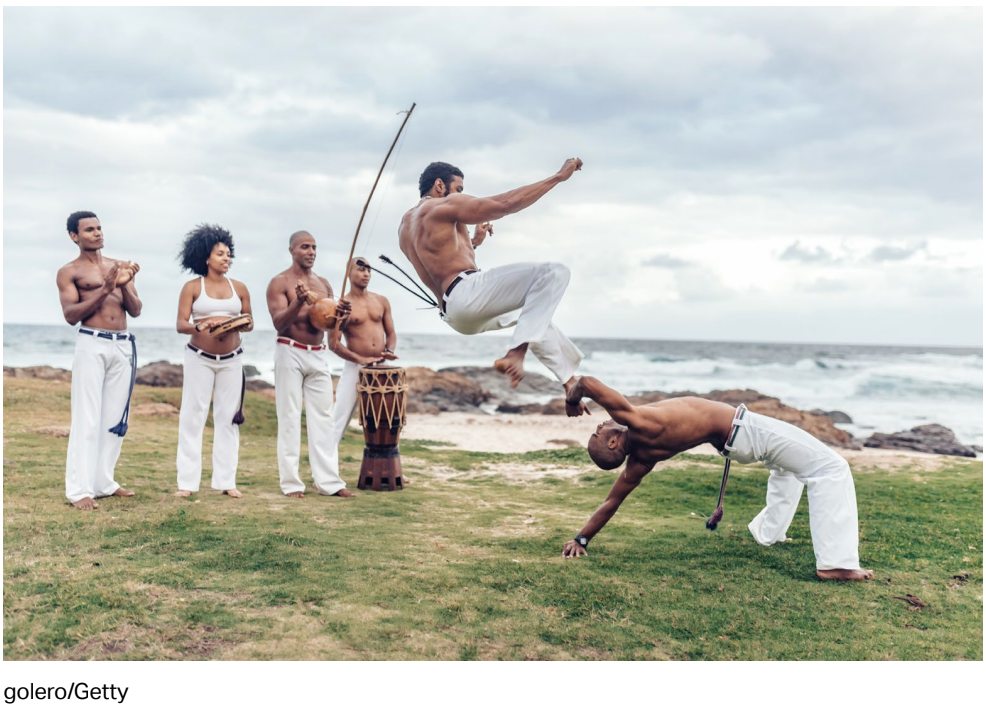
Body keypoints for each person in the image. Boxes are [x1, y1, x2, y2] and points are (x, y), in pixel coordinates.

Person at [561, 376, 873, 581]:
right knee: (832, 468)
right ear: (613, 444)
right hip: (744, 430)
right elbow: (586, 382)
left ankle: (767, 533)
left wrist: (581, 538)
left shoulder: (641, 460)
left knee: (788, 468)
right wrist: (573, 400)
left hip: (735, 443)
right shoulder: (637, 422)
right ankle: (836, 564)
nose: (599, 427)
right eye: (597, 434)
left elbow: (611, 501)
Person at [398, 159, 586, 409]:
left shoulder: (405, 227)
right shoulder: (442, 205)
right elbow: (504, 205)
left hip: (455, 314)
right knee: (553, 273)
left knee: (532, 313)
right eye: (459, 189)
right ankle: (516, 353)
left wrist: (473, 243)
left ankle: (569, 382)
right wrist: (558, 178)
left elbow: (438, 260)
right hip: (466, 294)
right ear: (440, 185)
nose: (461, 196)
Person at [56, 211, 141, 510]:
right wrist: (106, 289)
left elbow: (136, 309)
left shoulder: (117, 266)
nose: (97, 233)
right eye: (89, 229)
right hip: (92, 343)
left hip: (122, 345)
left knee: (114, 418)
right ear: (74, 236)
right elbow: (70, 316)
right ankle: (79, 490)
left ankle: (104, 482)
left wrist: (124, 284)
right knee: (87, 418)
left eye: (99, 228)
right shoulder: (69, 272)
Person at [266, 231, 355, 499]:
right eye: (305, 246)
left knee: (324, 419)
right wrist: (298, 301)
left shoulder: (324, 284)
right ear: (292, 249)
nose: (311, 251)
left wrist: (344, 317)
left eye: (314, 247)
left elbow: (332, 330)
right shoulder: (279, 282)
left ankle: (329, 482)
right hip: (289, 350)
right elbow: (279, 323)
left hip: (318, 353)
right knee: (290, 416)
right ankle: (292, 483)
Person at [174, 224, 253, 499]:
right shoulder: (193, 287)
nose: (226, 258)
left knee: (228, 419)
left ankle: (226, 481)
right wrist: (201, 326)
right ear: (206, 257)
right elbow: (181, 324)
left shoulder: (240, 288)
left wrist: (237, 324)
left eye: (229, 254)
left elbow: (250, 322)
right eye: (220, 254)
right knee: (192, 416)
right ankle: (187, 483)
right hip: (199, 358)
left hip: (232, 359)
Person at [328, 257, 398, 453]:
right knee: (340, 417)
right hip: (355, 367)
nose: (366, 273)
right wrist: (360, 359)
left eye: (368, 269)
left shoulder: (381, 301)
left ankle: (392, 469)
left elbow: (391, 333)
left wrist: (389, 351)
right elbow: (333, 343)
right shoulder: (342, 305)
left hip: (382, 366)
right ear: (348, 273)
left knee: (387, 418)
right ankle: (323, 474)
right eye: (360, 269)